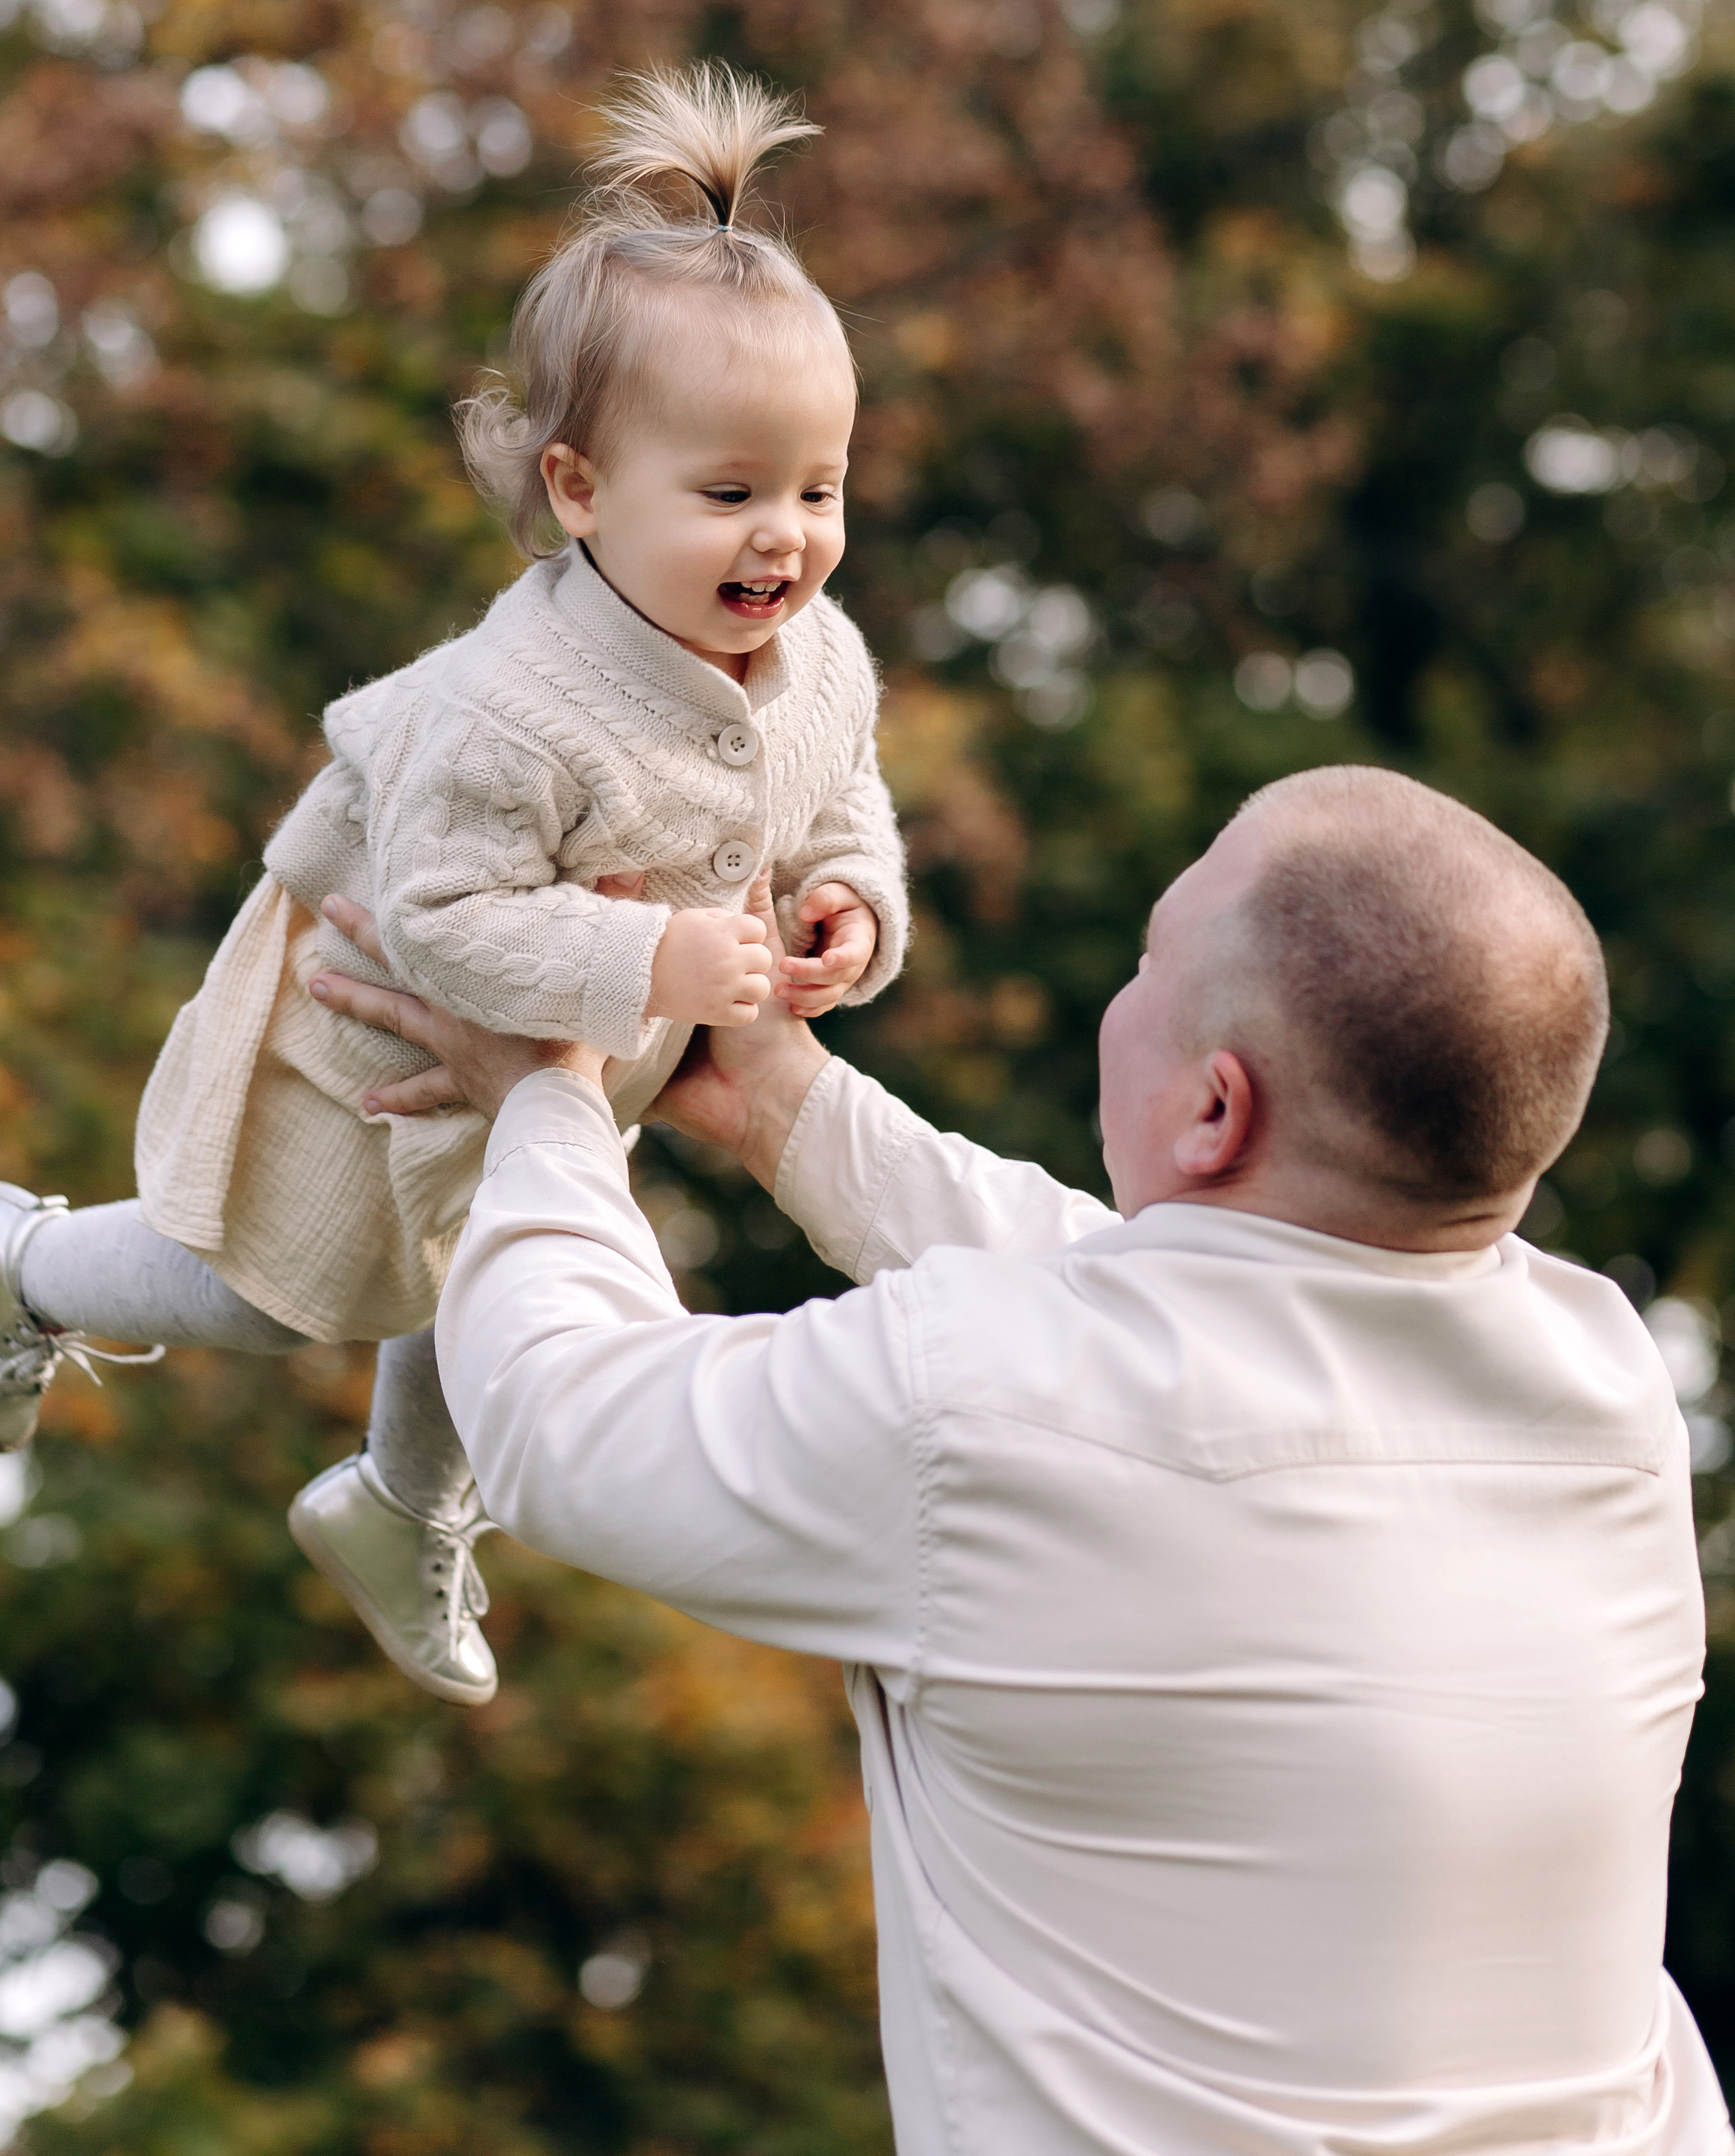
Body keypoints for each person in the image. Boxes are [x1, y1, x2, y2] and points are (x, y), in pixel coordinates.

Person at [309, 764, 1731, 2155]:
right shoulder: (1606, 1389)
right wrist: (786, 1105)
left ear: (1215, 1109)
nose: (1124, 995)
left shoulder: (983, 1420)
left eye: (1144, 965)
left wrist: (544, 1089)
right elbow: (1145, 1321)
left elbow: (559, 1414)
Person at [0, 65, 909, 1709]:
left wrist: (848, 906)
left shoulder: (808, 656)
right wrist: (654, 957)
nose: (785, 541)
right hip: (380, 1017)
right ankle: (14, 1265)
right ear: (577, 492)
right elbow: (446, 921)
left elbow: (839, 787)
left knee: (492, 1263)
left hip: (585, 1036)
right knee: (279, 1280)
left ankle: (400, 1506)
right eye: (729, 494)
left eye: (818, 491)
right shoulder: (504, 710)